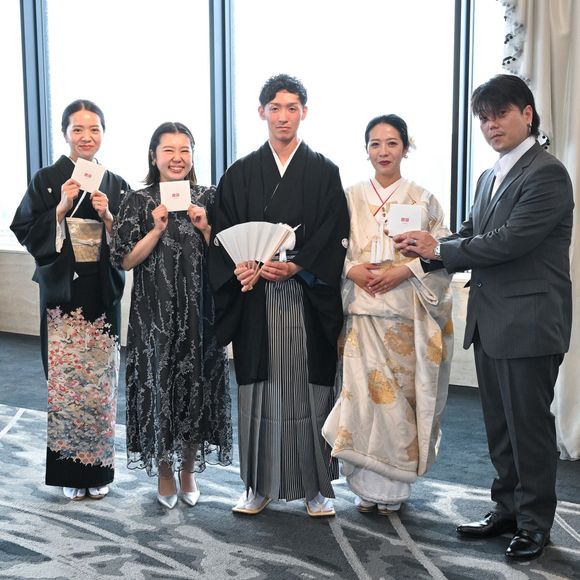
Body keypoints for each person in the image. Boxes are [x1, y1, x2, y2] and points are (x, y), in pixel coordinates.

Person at [394, 74, 574, 560]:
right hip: (493, 320)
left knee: (528, 427)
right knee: (500, 425)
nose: (491, 125)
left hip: (530, 322)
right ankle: (507, 510)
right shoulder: (489, 175)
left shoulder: (548, 173)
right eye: (484, 118)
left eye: (501, 114)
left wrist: (439, 249)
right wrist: (426, 249)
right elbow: (473, 231)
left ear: (527, 114)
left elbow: (510, 241)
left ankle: (535, 524)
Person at [208, 74, 349, 517]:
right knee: (260, 392)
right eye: (275, 108)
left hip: (305, 297)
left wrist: (297, 265)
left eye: (291, 108)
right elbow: (224, 234)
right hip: (255, 301)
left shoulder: (324, 172)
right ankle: (258, 485)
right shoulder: (241, 173)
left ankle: (314, 486)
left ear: (304, 112)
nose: (283, 116)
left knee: (310, 391)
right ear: (261, 112)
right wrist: (241, 265)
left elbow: (333, 234)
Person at [321, 114, 454, 515]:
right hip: (362, 315)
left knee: (398, 405)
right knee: (361, 403)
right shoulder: (348, 197)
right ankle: (364, 488)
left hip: (404, 318)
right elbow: (329, 246)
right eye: (375, 144)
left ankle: (394, 490)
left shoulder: (424, 199)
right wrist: (351, 270)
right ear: (366, 150)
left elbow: (442, 252)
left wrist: (404, 271)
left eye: (392, 143)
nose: (383, 151)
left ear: (405, 148)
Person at [11, 99, 129, 501]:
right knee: (66, 383)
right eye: (78, 129)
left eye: (94, 129)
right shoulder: (47, 178)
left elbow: (130, 241)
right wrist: (59, 210)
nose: (86, 137)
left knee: (100, 384)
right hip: (64, 291)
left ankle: (98, 470)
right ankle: (69, 473)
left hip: (100, 291)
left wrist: (109, 218)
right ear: (65, 133)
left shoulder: (115, 183)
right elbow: (24, 227)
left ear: (103, 134)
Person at [110, 122, 232, 509]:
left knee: (196, 387)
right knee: (159, 387)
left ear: (193, 155)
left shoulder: (209, 197)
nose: (177, 158)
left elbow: (228, 255)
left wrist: (206, 228)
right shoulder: (137, 200)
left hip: (200, 315)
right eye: (169, 150)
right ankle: (164, 471)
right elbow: (124, 260)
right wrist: (155, 230)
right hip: (154, 316)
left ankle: (189, 471)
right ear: (154, 156)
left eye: (185, 150)